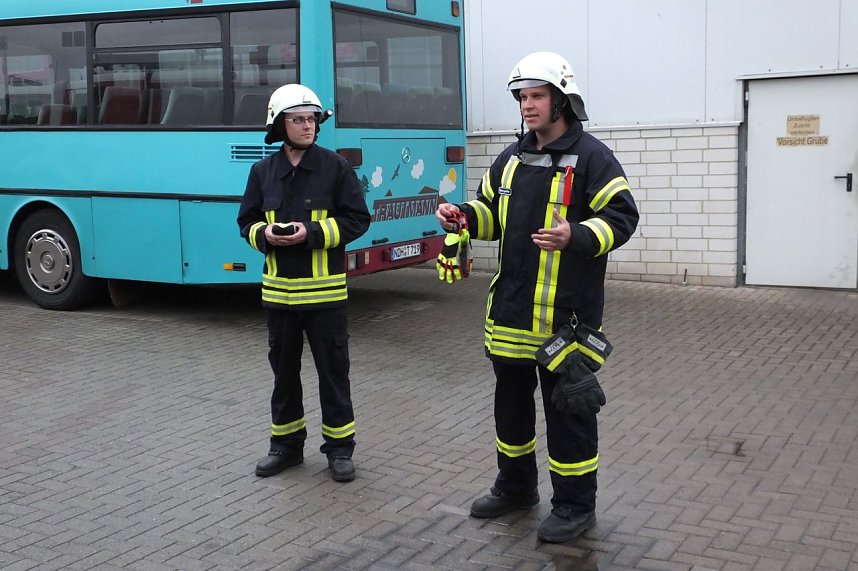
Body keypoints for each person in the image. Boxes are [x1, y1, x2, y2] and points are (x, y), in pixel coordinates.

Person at [435, 52, 639, 542]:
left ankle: (574, 506)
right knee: (511, 409)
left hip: (566, 320)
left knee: (569, 413)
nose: (528, 106)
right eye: (522, 97)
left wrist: (579, 236)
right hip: (509, 314)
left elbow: (623, 218)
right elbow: (491, 214)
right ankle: (516, 487)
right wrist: (462, 216)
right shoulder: (511, 158)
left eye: (537, 96)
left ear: (561, 100)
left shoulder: (593, 157)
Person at [237, 84, 370, 482]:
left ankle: (340, 451)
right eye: (298, 119)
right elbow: (246, 222)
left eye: (311, 118)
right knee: (284, 376)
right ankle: (286, 447)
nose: (307, 125)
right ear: (280, 125)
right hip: (279, 298)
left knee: (334, 374)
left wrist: (308, 233)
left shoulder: (335, 167)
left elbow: (357, 220)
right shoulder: (263, 172)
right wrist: (266, 235)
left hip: (327, 298)